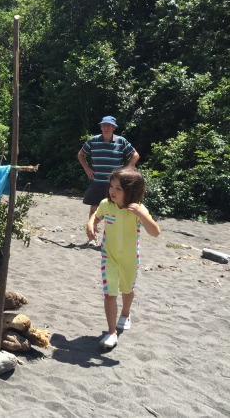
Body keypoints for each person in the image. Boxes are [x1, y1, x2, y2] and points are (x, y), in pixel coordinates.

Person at [86, 167, 160, 349]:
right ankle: (112, 332)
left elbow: (155, 232)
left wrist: (142, 215)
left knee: (127, 289)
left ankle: (125, 313)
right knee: (110, 293)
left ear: (132, 191)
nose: (112, 191)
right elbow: (96, 217)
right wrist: (90, 224)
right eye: (112, 186)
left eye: (119, 188)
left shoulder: (138, 209)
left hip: (129, 259)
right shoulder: (106, 204)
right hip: (108, 256)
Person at [77, 116, 140, 217]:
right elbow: (81, 154)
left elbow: (135, 155)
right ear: (101, 127)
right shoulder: (92, 141)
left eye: (109, 126)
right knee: (94, 210)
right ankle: (91, 231)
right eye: (104, 125)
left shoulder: (121, 141)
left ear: (114, 128)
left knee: (116, 210)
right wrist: (87, 168)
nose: (106, 128)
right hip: (97, 181)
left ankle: (112, 232)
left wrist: (127, 170)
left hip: (115, 184)